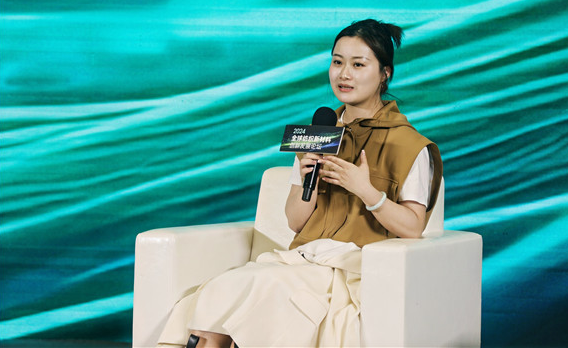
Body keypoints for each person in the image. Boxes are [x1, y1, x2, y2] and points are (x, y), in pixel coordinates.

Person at [157, 19, 443, 348]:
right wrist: (307, 180)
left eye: (358, 64)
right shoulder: (317, 134)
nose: (344, 74)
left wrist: (366, 191)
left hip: (352, 268)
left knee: (265, 289)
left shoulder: (410, 145)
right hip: (304, 257)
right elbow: (295, 221)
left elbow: (413, 228)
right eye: (337, 62)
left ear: (384, 74)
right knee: (227, 287)